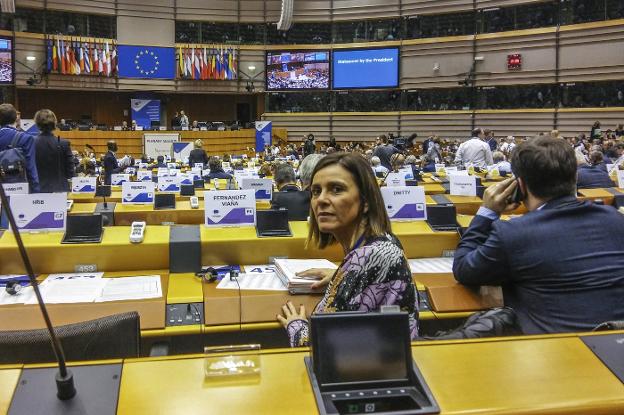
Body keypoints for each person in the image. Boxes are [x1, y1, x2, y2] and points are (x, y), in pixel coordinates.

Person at [453, 137, 624, 335]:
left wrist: (487, 212)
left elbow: (464, 269)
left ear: (521, 186)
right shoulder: (616, 219)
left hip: (555, 354)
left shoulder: (513, 234)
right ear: (575, 177)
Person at [277, 153, 419, 347]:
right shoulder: (383, 241)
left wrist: (296, 324)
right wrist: (341, 275)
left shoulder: (368, 257)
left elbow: (316, 345)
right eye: (316, 191)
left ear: (366, 201)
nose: (321, 200)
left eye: (336, 189)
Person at [0, 103, 39, 192]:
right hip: (21, 189)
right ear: (16, 118)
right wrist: (36, 191)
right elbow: (31, 167)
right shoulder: (26, 138)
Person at [33, 109, 74, 193]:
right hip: (60, 190)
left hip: (37, 190)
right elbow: (70, 171)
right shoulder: (64, 143)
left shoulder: (30, 143)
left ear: (37, 123)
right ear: (55, 123)